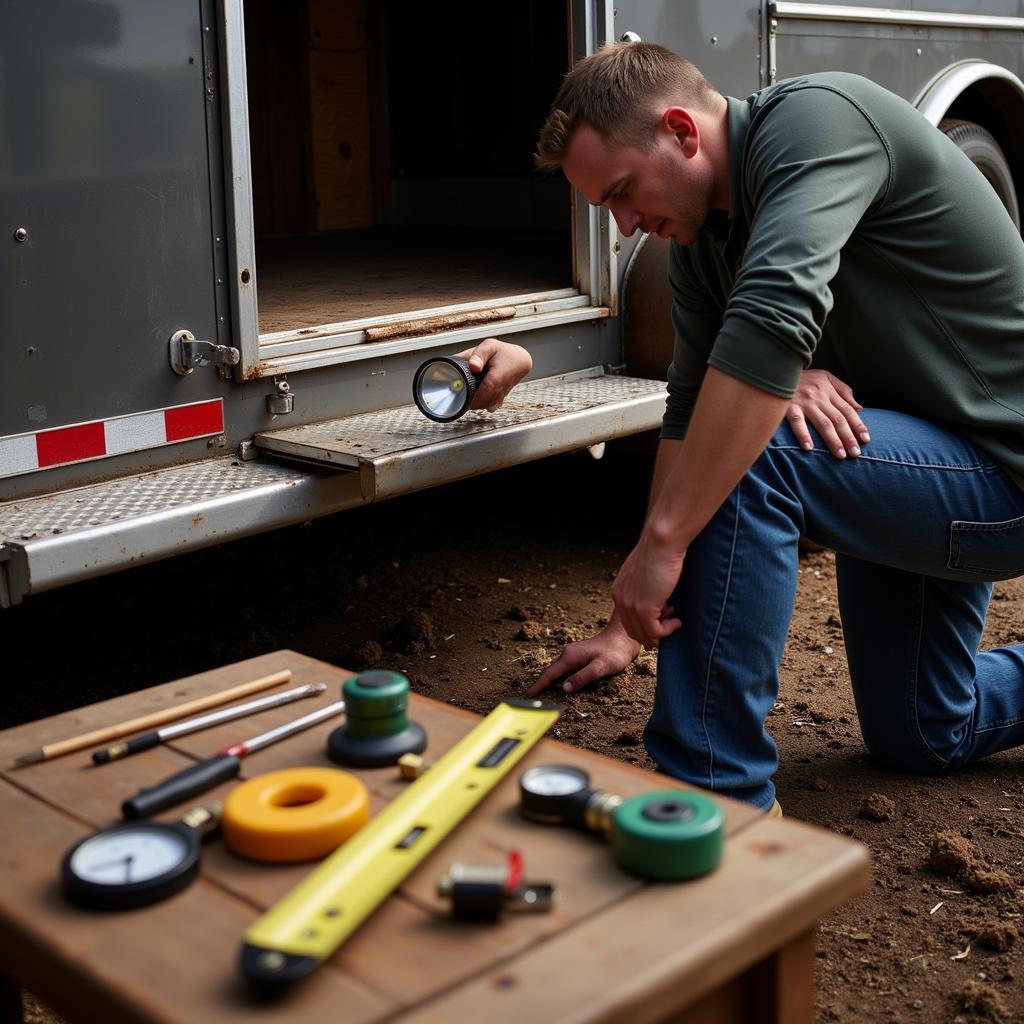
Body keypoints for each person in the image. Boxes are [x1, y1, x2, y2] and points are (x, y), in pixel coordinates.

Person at [526, 42, 1024, 813]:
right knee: (925, 733)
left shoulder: (818, 123)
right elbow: (689, 411)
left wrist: (665, 543)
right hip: (911, 461)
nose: (624, 225)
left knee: (757, 452)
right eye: (606, 209)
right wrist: (630, 622)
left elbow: (770, 326)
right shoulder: (699, 244)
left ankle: (714, 802)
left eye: (623, 192)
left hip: (1002, 470)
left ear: (683, 133)